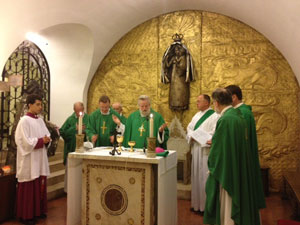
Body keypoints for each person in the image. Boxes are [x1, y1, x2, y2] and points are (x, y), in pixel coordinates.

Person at [204, 88, 261, 225]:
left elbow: (219, 150)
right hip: (236, 165)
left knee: (227, 206)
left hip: (228, 171)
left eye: (213, 103)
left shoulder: (226, 119)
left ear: (217, 103)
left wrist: (212, 165)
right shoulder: (237, 115)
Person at [225, 84, 266, 210]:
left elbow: (241, 138)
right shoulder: (239, 112)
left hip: (241, 156)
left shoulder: (243, 113)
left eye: (226, 98)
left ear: (234, 97)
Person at [15, 94, 51, 225]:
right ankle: (26, 215)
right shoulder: (24, 121)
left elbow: (47, 134)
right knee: (29, 186)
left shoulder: (40, 120)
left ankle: (37, 211)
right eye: (38, 104)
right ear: (29, 105)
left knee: (39, 184)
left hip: (39, 158)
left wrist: (47, 139)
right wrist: (42, 140)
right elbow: (23, 142)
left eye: (41, 104)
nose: (40, 107)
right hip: (29, 160)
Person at [186, 94, 219, 214]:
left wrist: (202, 137)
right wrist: (192, 136)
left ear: (207, 103)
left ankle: (206, 207)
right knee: (196, 177)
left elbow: (215, 132)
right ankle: (196, 205)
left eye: (199, 101)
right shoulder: (196, 115)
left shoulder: (215, 116)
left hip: (206, 150)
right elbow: (189, 128)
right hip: (196, 149)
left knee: (204, 178)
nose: (196, 103)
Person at [59, 102, 89, 192]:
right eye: (77, 111)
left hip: (84, 150)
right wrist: (74, 129)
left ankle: (83, 190)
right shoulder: (70, 119)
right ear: (74, 110)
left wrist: (85, 131)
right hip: (72, 148)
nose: (79, 113)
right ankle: (70, 191)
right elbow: (62, 132)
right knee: (71, 173)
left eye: (81, 110)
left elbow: (92, 131)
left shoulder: (89, 118)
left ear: (84, 109)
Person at [161, 34, 195, 111]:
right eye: (175, 50)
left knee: (180, 92)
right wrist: (167, 61)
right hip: (174, 77)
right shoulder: (174, 57)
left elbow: (184, 68)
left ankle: (181, 105)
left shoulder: (183, 58)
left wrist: (176, 63)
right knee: (173, 93)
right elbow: (168, 65)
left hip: (180, 78)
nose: (177, 52)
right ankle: (174, 105)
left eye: (178, 50)